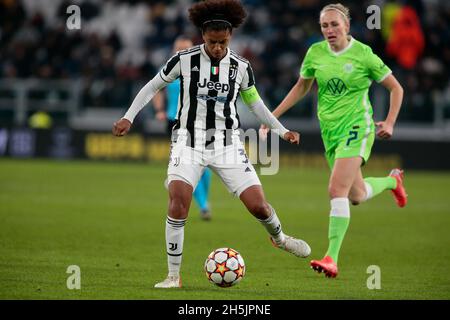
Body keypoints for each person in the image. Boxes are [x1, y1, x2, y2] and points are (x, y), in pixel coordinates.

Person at [112, 0, 311, 288]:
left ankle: (280, 239)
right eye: (212, 41)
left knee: (259, 207)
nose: (217, 47)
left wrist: (282, 131)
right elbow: (153, 86)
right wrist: (128, 117)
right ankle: (173, 276)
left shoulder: (241, 67)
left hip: (227, 144)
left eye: (223, 41)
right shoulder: (184, 59)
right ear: (202, 36)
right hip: (187, 141)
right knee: (179, 201)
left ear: (230, 36)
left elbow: (256, 105)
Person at [261, 3, 407, 278]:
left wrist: (389, 122)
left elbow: (395, 87)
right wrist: (272, 117)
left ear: (347, 26)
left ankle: (331, 258)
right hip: (330, 132)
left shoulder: (363, 54)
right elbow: (301, 87)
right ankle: (393, 181)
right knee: (357, 195)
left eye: (334, 25)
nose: (329, 30)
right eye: (324, 26)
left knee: (335, 190)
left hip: (357, 127)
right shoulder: (315, 53)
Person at [153, 36, 213, 221]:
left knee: (206, 165)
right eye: (179, 48)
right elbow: (156, 90)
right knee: (189, 163)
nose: (182, 51)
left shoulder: (202, 69)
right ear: (173, 49)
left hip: (201, 121)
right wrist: (160, 110)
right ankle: (203, 206)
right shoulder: (169, 69)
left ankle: (202, 200)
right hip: (176, 122)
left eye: (186, 48)